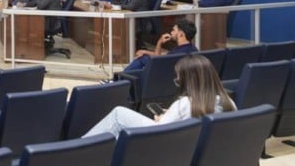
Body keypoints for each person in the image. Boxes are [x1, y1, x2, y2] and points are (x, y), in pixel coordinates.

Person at [84, 54, 236, 139]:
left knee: (118, 115)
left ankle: (80, 149)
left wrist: (161, 119)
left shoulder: (184, 104)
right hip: (188, 149)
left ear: (189, 83)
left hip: (166, 147)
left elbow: (159, 132)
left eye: (179, 82)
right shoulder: (228, 103)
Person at [123, 18, 198, 72]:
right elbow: (163, 55)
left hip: (162, 78)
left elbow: (156, 60)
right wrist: (146, 51)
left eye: (174, 30)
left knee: (142, 59)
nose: (171, 32)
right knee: (144, 56)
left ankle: (121, 79)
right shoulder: (192, 49)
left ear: (181, 34)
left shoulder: (175, 55)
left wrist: (159, 43)